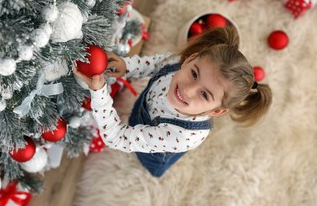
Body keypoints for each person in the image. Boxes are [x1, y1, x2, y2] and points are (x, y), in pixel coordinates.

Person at [73, 26, 272, 177]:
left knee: (145, 161)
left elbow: (116, 137)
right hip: (143, 113)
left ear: (217, 111)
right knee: (136, 118)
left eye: (205, 95)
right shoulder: (178, 63)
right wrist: (128, 65)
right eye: (194, 74)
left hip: (155, 151)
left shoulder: (184, 135)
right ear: (189, 60)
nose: (188, 89)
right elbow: (154, 64)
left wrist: (99, 93)